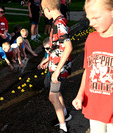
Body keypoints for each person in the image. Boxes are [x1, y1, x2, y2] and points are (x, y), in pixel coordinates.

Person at [72, 0, 113, 133]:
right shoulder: (92, 38)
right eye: (89, 19)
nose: (91, 23)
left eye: (96, 18)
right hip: (95, 106)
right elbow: (88, 70)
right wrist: (80, 95)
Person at [41, 0, 73, 132]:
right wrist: (47, 60)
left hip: (59, 68)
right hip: (55, 65)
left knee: (52, 96)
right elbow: (57, 47)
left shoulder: (59, 23)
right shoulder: (58, 21)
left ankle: (63, 127)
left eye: (43, 11)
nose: (43, 13)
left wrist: (57, 70)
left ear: (48, 9)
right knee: (57, 93)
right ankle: (65, 115)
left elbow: (68, 47)